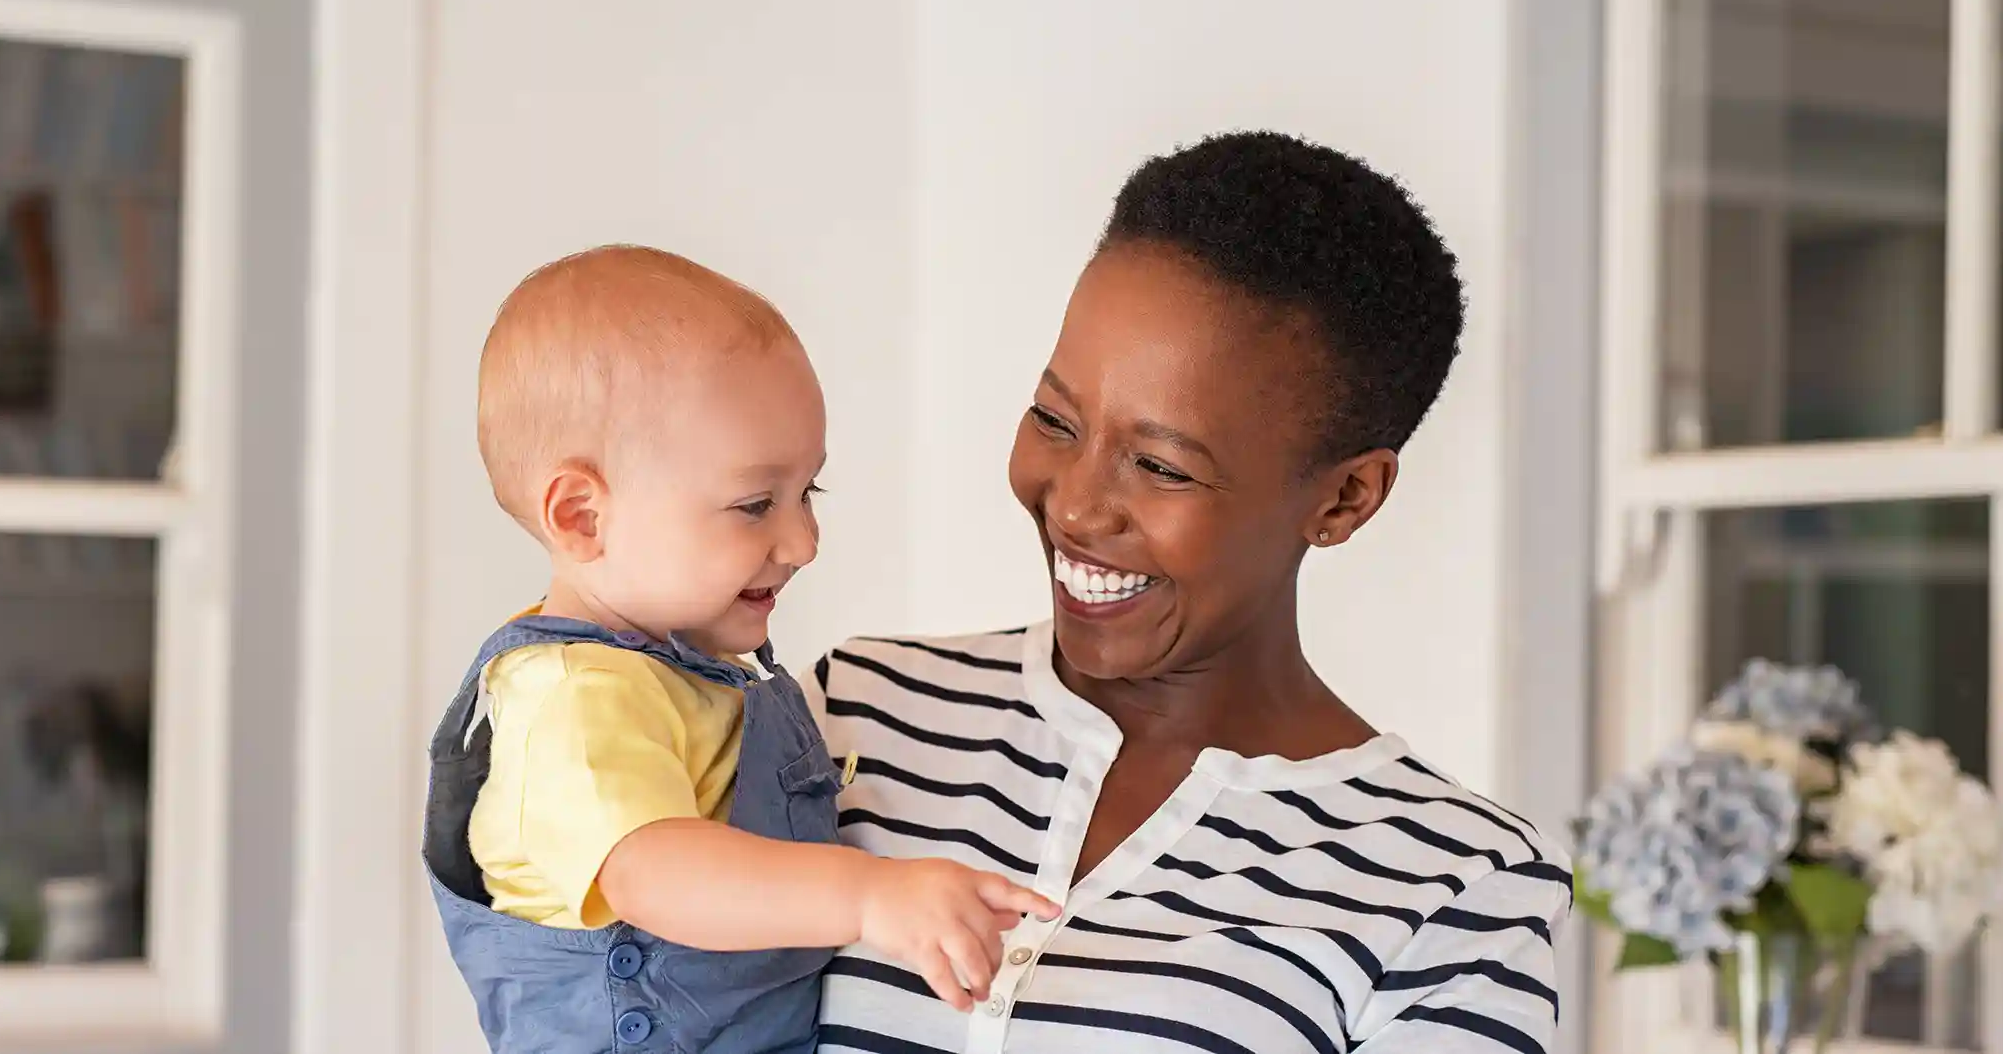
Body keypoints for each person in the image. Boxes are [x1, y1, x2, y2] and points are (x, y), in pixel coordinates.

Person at [807, 133, 1573, 1053]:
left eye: (1162, 467)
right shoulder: (853, 717)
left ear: (1343, 498)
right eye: (1055, 419)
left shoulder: (1452, 887)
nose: (1079, 507)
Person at [422, 246, 1057, 1054]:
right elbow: (658, 873)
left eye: (807, 494)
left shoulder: (680, 673)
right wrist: (870, 896)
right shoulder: (572, 698)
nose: (803, 541)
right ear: (582, 516)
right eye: (756, 505)